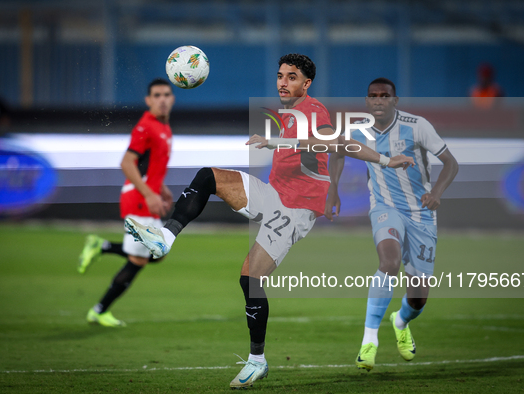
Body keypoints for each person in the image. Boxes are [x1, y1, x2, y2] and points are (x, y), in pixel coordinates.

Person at [124, 54, 415, 389]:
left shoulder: (314, 111)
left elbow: (339, 144)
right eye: (280, 76)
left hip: (295, 209)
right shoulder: (288, 112)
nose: (282, 82)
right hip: (273, 193)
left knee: (250, 279)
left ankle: (257, 360)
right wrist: (332, 185)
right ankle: (165, 237)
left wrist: (387, 160)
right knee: (208, 177)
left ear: (306, 84)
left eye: (292, 77)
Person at [326, 77, 459, 371]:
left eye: (385, 96)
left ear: (394, 101)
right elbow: (338, 151)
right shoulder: (358, 129)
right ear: (366, 101)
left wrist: (436, 193)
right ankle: (368, 341)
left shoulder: (417, 125)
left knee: (418, 299)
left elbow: (451, 162)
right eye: (373, 95)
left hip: (421, 213)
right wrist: (333, 188)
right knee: (389, 262)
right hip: (385, 207)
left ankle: (400, 321)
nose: (378, 100)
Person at [78, 78, 175, 327]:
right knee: (139, 260)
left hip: (147, 196)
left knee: (158, 253)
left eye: (166, 94)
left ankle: (103, 246)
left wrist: (160, 189)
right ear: (148, 100)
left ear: (172, 98)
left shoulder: (164, 128)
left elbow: (148, 166)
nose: (162, 99)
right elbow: (126, 163)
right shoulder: (146, 126)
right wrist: (150, 194)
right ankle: (99, 311)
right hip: (139, 200)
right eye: (157, 95)